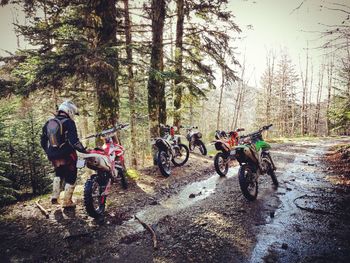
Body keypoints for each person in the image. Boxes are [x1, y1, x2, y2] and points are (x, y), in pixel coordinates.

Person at [40, 100, 87, 208]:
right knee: (71, 176)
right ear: (69, 111)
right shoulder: (69, 122)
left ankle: (54, 197)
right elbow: (74, 141)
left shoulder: (48, 122)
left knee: (58, 173)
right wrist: (84, 151)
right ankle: (67, 201)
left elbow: (43, 141)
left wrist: (48, 152)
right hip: (67, 154)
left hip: (53, 155)